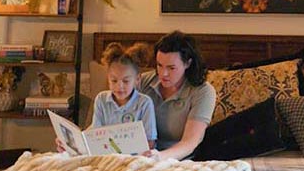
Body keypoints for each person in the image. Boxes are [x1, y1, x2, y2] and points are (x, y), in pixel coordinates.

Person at [138, 31, 216, 161]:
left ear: (187, 63)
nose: (163, 74)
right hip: (140, 154)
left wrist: (158, 157)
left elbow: (190, 143)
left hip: (179, 158)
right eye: (159, 65)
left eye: (171, 68)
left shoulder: (203, 91)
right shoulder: (144, 82)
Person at [90, 42, 157, 149]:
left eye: (126, 81)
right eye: (114, 80)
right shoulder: (101, 99)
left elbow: (150, 141)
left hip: (137, 156)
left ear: (137, 80)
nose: (119, 86)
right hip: (107, 154)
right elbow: (95, 134)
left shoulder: (144, 103)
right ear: (108, 78)